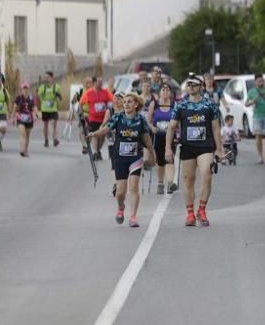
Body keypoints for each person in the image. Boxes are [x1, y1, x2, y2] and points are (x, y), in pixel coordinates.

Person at [88, 92, 156, 228]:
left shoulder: (140, 119)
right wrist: (93, 134)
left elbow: (146, 137)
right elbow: (106, 129)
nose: (126, 104)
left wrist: (152, 153)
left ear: (136, 104)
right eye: (124, 102)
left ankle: (133, 217)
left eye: (129, 102)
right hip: (119, 157)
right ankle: (121, 207)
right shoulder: (118, 117)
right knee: (120, 192)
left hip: (136, 157)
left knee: (134, 187)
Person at [166, 75, 224, 227]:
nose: (190, 87)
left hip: (205, 146)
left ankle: (202, 210)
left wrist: (219, 149)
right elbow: (171, 127)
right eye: (189, 84)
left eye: (194, 84)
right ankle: (190, 213)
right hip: (187, 147)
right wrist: (168, 149)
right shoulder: (181, 105)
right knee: (188, 180)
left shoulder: (210, 105)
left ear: (201, 87)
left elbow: (216, 127)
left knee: (207, 173)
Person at [148, 83, 178, 195]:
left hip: (170, 136)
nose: (165, 91)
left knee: (170, 158)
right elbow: (148, 120)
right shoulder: (154, 104)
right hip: (158, 136)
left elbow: (179, 119)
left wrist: (176, 128)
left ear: (170, 93)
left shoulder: (174, 105)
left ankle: (170, 183)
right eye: (163, 89)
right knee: (160, 162)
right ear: (159, 92)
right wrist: (152, 128)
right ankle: (160, 183)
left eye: (167, 89)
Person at [245, 73, 265, 164]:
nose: (261, 82)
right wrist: (252, 102)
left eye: (262, 80)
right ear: (255, 82)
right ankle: (260, 156)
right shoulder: (252, 91)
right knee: (258, 136)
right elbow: (246, 104)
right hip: (257, 116)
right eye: (259, 81)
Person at [80, 77, 112, 160]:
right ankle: (95, 152)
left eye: (101, 82)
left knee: (102, 135)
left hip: (104, 118)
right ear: (94, 83)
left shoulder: (105, 92)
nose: (101, 84)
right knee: (94, 135)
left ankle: (98, 150)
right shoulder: (88, 93)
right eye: (99, 82)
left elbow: (113, 100)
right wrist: (82, 115)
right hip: (93, 118)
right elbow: (81, 103)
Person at [37, 71, 63, 148]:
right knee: (45, 125)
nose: (46, 79)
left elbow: (59, 97)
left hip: (53, 109)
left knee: (54, 123)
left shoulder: (56, 87)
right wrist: (43, 101)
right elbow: (38, 96)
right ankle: (46, 140)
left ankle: (55, 139)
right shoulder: (42, 87)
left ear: (52, 78)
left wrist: (58, 97)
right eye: (45, 77)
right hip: (45, 109)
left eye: (47, 77)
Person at [12, 82, 38, 157]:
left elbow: (35, 107)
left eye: (26, 88)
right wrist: (13, 118)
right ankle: (22, 150)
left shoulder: (32, 98)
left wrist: (36, 114)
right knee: (22, 134)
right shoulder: (18, 98)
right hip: (20, 118)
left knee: (27, 135)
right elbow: (14, 108)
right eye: (24, 88)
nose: (25, 90)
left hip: (29, 118)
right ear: (21, 89)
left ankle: (25, 151)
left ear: (28, 89)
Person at [73, 76, 93, 153]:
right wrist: (74, 99)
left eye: (90, 82)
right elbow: (75, 99)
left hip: (91, 115)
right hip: (83, 113)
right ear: (83, 83)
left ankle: (88, 145)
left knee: (90, 131)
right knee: (82, 130)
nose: (88, 84)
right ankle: (84, 146)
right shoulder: (81, 91)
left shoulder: (94, 91)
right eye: (86, 82)